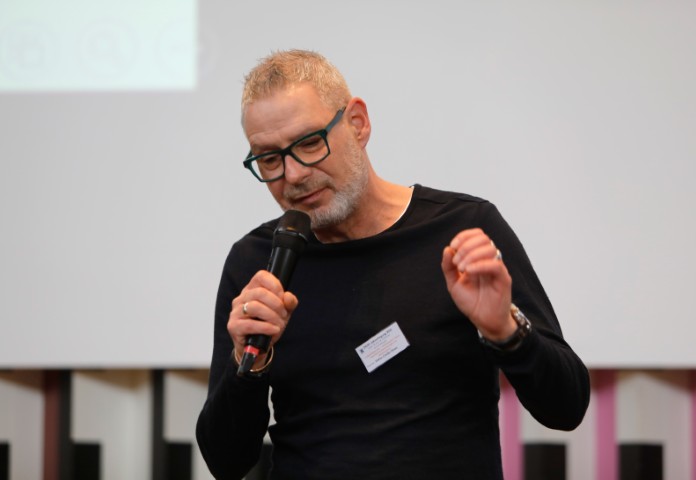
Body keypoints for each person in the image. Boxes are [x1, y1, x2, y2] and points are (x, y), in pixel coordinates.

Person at [196, 49, 590, 480]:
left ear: (357, 123)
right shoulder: (257, 263)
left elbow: (566, 407)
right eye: (270, 159)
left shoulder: (461, 229)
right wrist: (247, 362)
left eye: (309, 143)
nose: (293, 175)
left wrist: (506, 331)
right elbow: (226, 462)